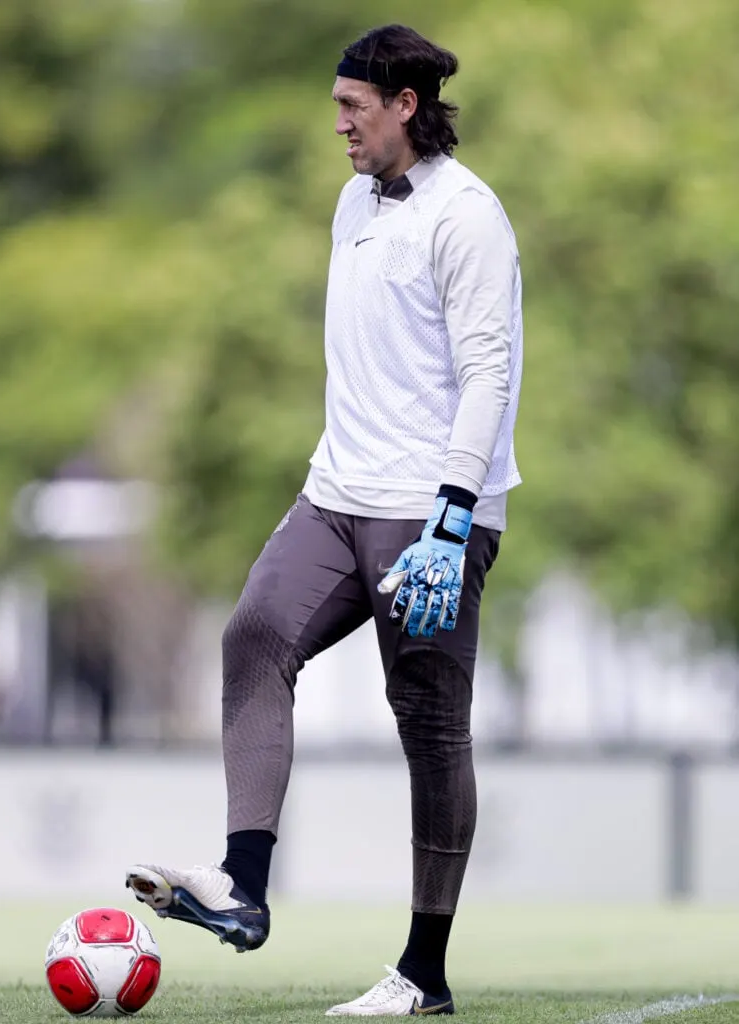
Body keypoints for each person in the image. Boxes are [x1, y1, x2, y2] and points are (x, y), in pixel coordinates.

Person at [126, 22, 522, 1017]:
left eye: (354, 106)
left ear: (405, 104)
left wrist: (453, 516)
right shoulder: (352, 203)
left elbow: (489, 375)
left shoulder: (469, 218)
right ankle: (243, 889)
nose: (338, 123)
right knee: (253, 637)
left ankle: (422, 973)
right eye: (336, 105)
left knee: (429, 725)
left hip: (432, 515)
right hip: (335, 497)